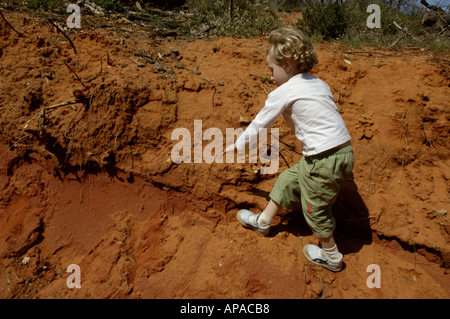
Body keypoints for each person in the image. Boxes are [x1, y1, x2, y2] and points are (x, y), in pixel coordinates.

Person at [232, 27, 354, 272]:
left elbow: (260, 123)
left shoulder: (284, 91)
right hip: (341, 151)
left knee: (315, 209)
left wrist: (238, 145)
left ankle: (332, 257)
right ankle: (264, 221)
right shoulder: (319, 84)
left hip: (322, 158)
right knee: (288, 180)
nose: (270, 77)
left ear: (285, 63)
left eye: (271, 70)